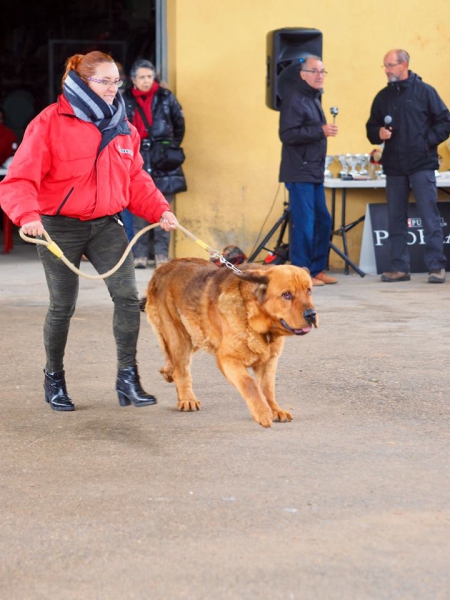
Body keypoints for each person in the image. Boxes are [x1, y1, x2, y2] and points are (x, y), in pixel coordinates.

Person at [0, 51, 178, 412]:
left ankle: (127, 377)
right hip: (57, 227)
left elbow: (135, 179)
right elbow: (19, 179)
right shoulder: (49, 122)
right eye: (105, 81)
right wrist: (28, 216)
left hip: (106, 225)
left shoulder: (124, 127)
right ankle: (54, 378)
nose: (114, 88)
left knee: (128, 298)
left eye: (117, 81)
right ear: (83, 82)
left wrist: (160, 209)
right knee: (62, 306)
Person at [366, 49, 450, 284]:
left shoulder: (425, 92)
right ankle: (399, 267)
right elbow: (371, 128)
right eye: (384, 66)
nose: (387, 70)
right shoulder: (383, 97)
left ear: (404, 65)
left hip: (422, 163)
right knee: (395, 217)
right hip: (394, 166)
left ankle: (436, 266)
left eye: (391, 65)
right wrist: (378, 133)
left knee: (429, 216)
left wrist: (426, 142)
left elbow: (445, 121)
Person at [278, 55, 338, 286]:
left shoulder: (313, 98)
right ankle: (302, 272)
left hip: (313, 171)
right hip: (299, 171)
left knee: (323, 221)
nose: (320, 75)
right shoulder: (294, 99)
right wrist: (320, 131)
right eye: (315, 71)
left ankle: (316, 268)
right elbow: (288, 135)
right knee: (304, 223)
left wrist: (319, 130)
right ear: (303, 74)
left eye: (323, 71)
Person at [123, 58, 186, 269]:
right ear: (133, 80)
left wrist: (168, 146)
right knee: (138, 208)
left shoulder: (166, 97)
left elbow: (179, 125)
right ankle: (139, 255)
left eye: (149, 76)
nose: (146, 81)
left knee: (164, 209)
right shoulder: (125, 99)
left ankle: (161, 255)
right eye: (142, 77)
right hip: (137, 157)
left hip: (162, 160)